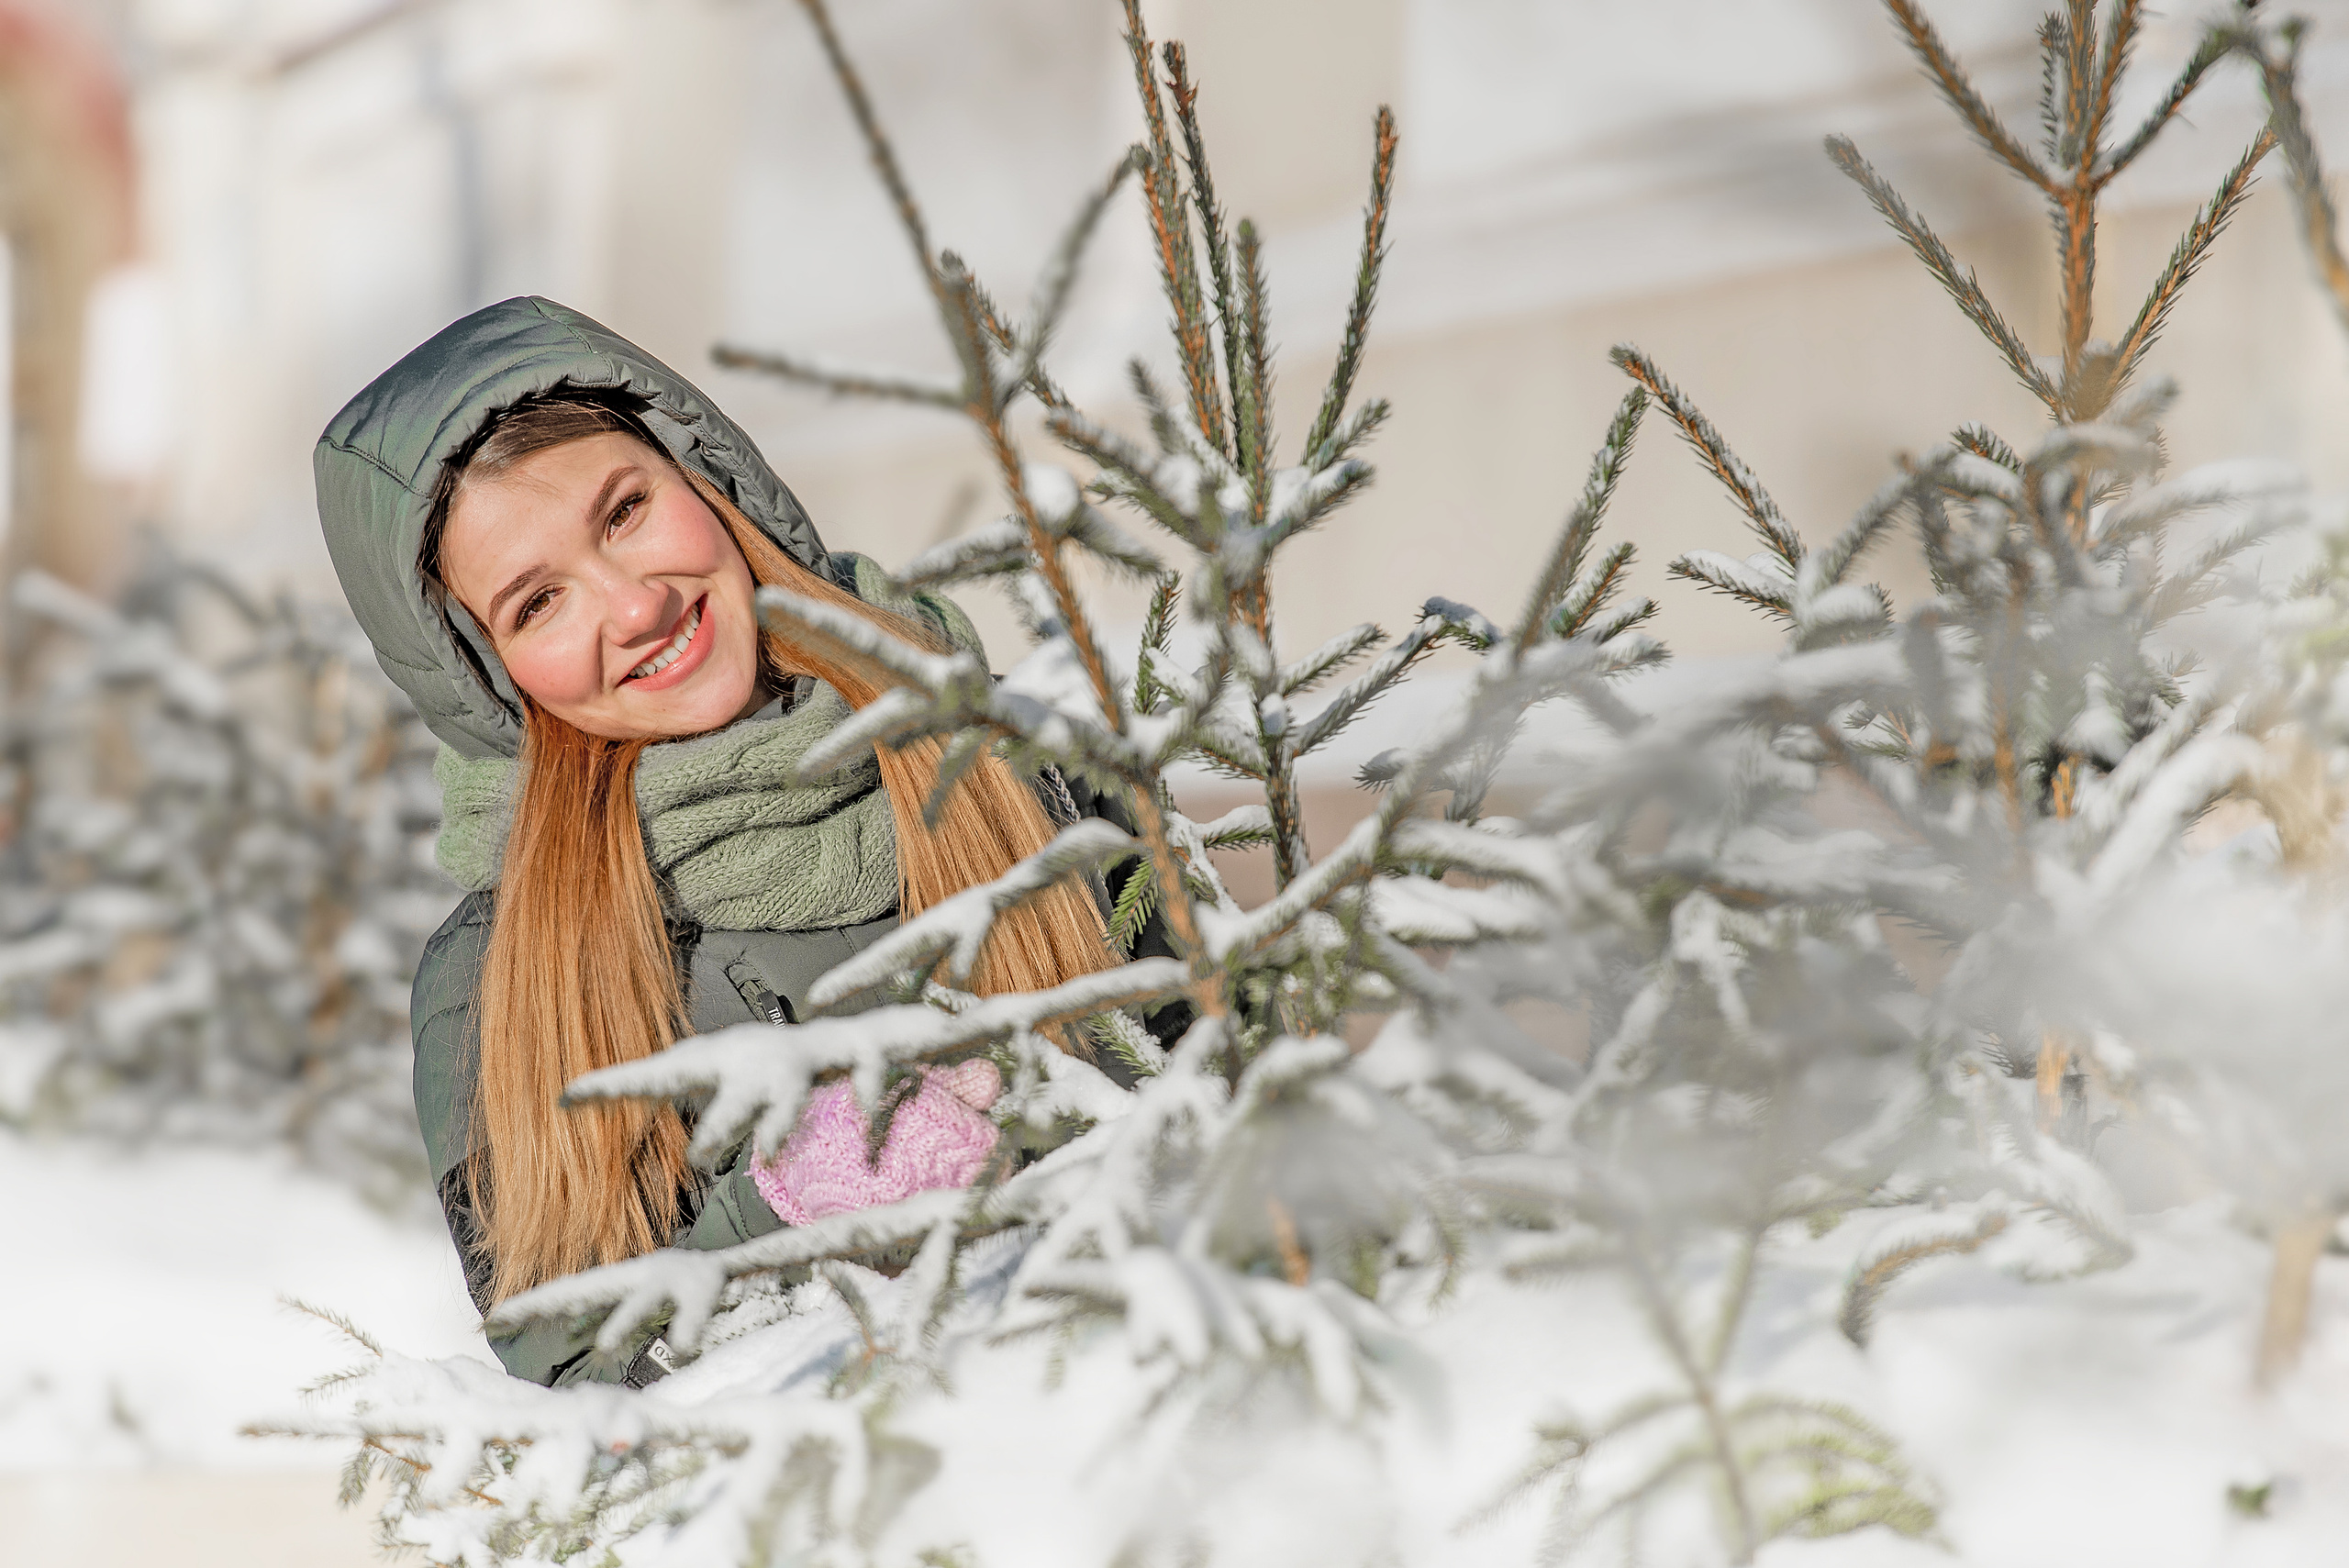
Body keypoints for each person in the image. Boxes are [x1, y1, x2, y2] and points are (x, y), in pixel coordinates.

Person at [316, 297, 1140, 1386]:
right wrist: (791, 1203)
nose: (636, 605)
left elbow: (1248, 1087)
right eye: (539, 602)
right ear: (486, 679)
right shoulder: (499, 988)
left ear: (706, 475)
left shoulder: (1013, 765)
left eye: (623, 512)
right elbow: (577, 1400)